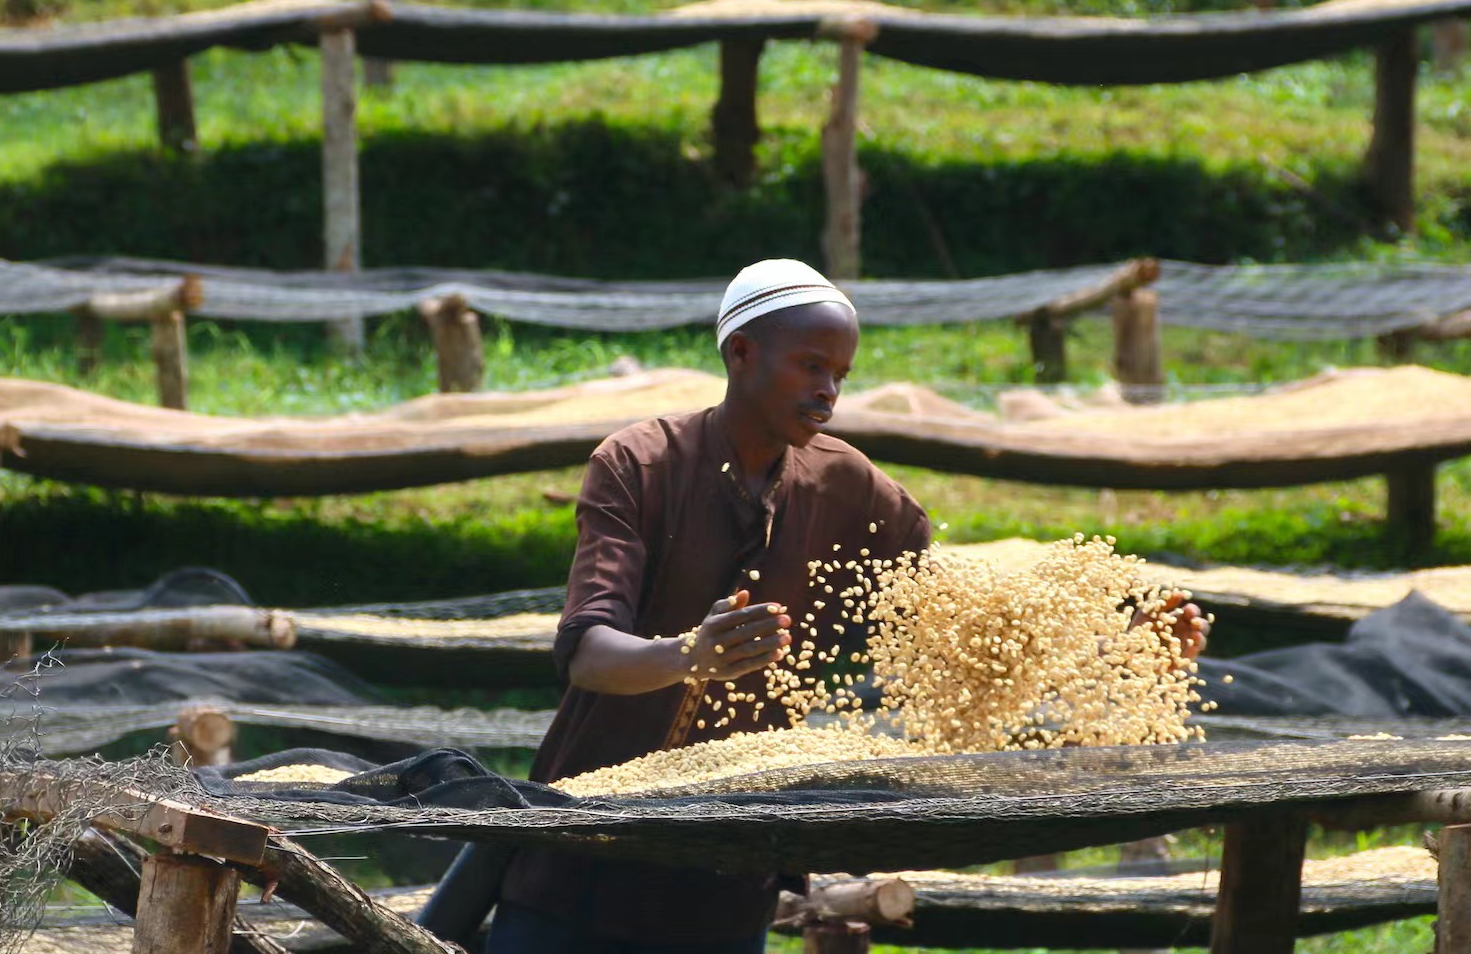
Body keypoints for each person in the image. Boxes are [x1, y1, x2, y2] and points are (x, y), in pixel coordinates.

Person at [487, 259, 1205, 954]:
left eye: (841, 374)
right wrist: (689, 656)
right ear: (742, 353)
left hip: (730, 860)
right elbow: (587, 654)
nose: (829, 391)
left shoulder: (848, 489)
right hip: (585, 846)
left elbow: (960, 621)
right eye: (811, 365)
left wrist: (1118, 648)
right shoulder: (641, 466)